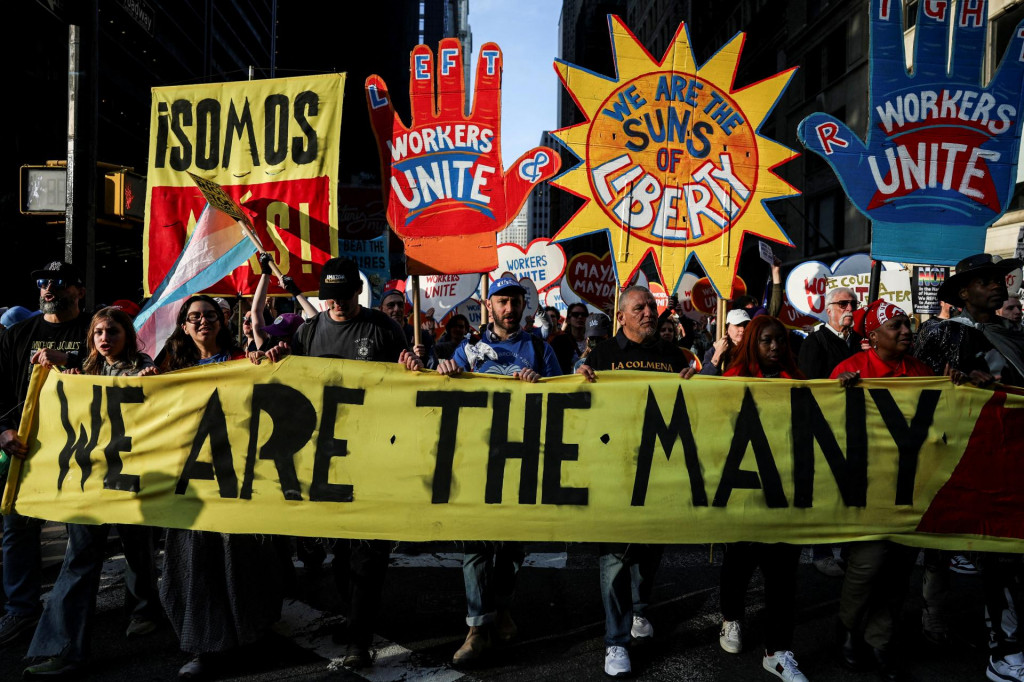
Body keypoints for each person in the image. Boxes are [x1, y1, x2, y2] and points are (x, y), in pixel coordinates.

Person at [257, 257, 422, 670]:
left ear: (357, 293)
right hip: (326, 460)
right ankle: (355, 622)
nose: (337, 305)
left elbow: (413, 379)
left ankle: (360, 641)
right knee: (342, 554)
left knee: (369, 552)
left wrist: (412, 366)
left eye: (344, 296)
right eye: (330, 297)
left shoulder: (383, 328)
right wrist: (276, 352)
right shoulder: (308, 332)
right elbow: (284, 373)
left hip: (373, 457)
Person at [23, 307, 159, 678]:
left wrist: (151, 381)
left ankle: (145, 610)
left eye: (112, 331)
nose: (104, 338)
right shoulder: (84, 372)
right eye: (99, 331)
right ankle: (65, 648)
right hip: (90, 482)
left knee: (136, 545)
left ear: (127, 336)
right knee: (79, 558)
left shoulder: (143, 365)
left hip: (132, 479)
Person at [154, 295, 283, 679]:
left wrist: (274, 364)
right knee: (195, 562)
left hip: (238, 478)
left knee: (242, 558)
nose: (202, 322)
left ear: (222, 321)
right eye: (193, 317)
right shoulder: (168, 368)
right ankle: (203, 645)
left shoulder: (243, 362)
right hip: (189, 484)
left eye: (209, 315)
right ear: (183, 325)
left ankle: (251, 635)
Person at [436, 276, 561, 667]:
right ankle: (476, 629)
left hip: (522, 462)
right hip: (474, 461)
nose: (509, 309)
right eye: (502, 301)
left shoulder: (540, 349)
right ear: (488, 305)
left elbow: (566, 393)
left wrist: (541, 384)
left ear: (525, 306)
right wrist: (441, 369)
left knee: (511, 546)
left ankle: (502, 607)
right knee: (474, 545)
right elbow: (438, 385)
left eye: (516, 302)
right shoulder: (468, 349)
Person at [913, 253, 1024, 682]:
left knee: (1005, 553)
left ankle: (1004, 644)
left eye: (1000, 279)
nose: (998, 285)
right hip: (951, 455)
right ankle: (937, 617)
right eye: (987, 281)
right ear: (964, 293)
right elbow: (912, 387)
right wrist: (954, 382)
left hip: (1004, 456)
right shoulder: (939, 333)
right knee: (942, 544)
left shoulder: (1014, 334)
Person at [577, 286, 697, 678]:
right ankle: (616, 642)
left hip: (659, 471)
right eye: (639, 308)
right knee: (614, 558)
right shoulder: (604, 356)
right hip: (615, 470)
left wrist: (695, 383)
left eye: (652, 306)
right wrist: (579, 379)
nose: (649, 312)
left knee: (649, 550)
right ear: (622, 317)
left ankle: (641, 610)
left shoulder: (673, 355)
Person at [830, 301, 943, 682]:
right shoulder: (849, 371)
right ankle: (849, 627)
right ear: (873, 336)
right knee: (868, 564)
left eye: (907, 325)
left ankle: (881, 641)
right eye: (896, 326)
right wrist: (835, 393)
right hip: (866, 490)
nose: (906, 331)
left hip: (910, 489)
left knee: (898, 571)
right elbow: (820, 423)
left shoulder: (923, 372)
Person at [0, 262, 91, 648]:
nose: (48, 288)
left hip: (80, 449)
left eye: (58, 282)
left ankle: (71, 613)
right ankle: (22, 610)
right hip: (26, 447)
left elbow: (111, 368)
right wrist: (2, 430)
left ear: (78, 291)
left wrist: (66, 360)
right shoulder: (19, 334)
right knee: (17, 529)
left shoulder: (93, 330)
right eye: (42, 281)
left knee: (81, 532)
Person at [719, 315, 810, 682]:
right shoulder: (728, 383)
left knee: (783, 574)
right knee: (738, 563)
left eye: (780, 342)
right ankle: (731, 618)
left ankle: (778, 651)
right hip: (742, 491)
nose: (775, 348)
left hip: (785, 493)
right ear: (752, 343)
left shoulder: (803, 384)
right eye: (766, 341)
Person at [797, 286, 863, 578]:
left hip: (856, 424)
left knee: (854, 488)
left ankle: (850, 550)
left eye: (853, 303)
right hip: (825, 425)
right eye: (843, 303)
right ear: (830, 309)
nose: (850, 308)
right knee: (824, 489)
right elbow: (810, 385)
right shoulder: (815, 341)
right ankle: (821, 551)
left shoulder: (860, 342)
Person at [700, 309, 749, 376]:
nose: (742, 329)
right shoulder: (714, 350)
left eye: (745, 325)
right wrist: (717, 354)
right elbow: (704, 377)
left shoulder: (752, 350)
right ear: (726, 328)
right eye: (738, 325)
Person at [550, 301, 588, 373]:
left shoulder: (595, 340)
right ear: (568, 320)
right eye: (575, 315)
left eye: (583, 314)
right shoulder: (559, 342)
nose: (580, 317)